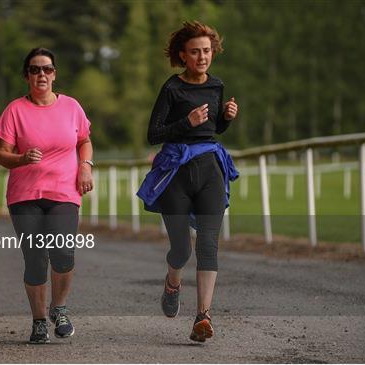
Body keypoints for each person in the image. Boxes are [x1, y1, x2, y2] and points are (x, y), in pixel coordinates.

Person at [137, 21, 239, 342]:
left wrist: (225, 118)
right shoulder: (172, 88)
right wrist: (186, 121)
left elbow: (212, 131)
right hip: (176, 173)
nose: (202, 57)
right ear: (183, 55)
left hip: (210, 169)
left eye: (207, 51)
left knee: (208, 246)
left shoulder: (217, 85)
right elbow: (154, 134)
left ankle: (202, 317)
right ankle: (172, 282)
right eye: (195, 52)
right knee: (181, 249)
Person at [0, 47, 93, 344]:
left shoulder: (71, 106)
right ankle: (39, 321)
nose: (42, 75)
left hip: (64, 191)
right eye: (35, 69)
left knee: (63, 253)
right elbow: (1, 155)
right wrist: (22, 159)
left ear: (55, 74)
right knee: (36, 259)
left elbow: (85, 141)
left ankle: (59, 308)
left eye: (47, 69)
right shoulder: (15, 110)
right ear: (27, 75)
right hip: (24, 195)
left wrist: (85, 167)